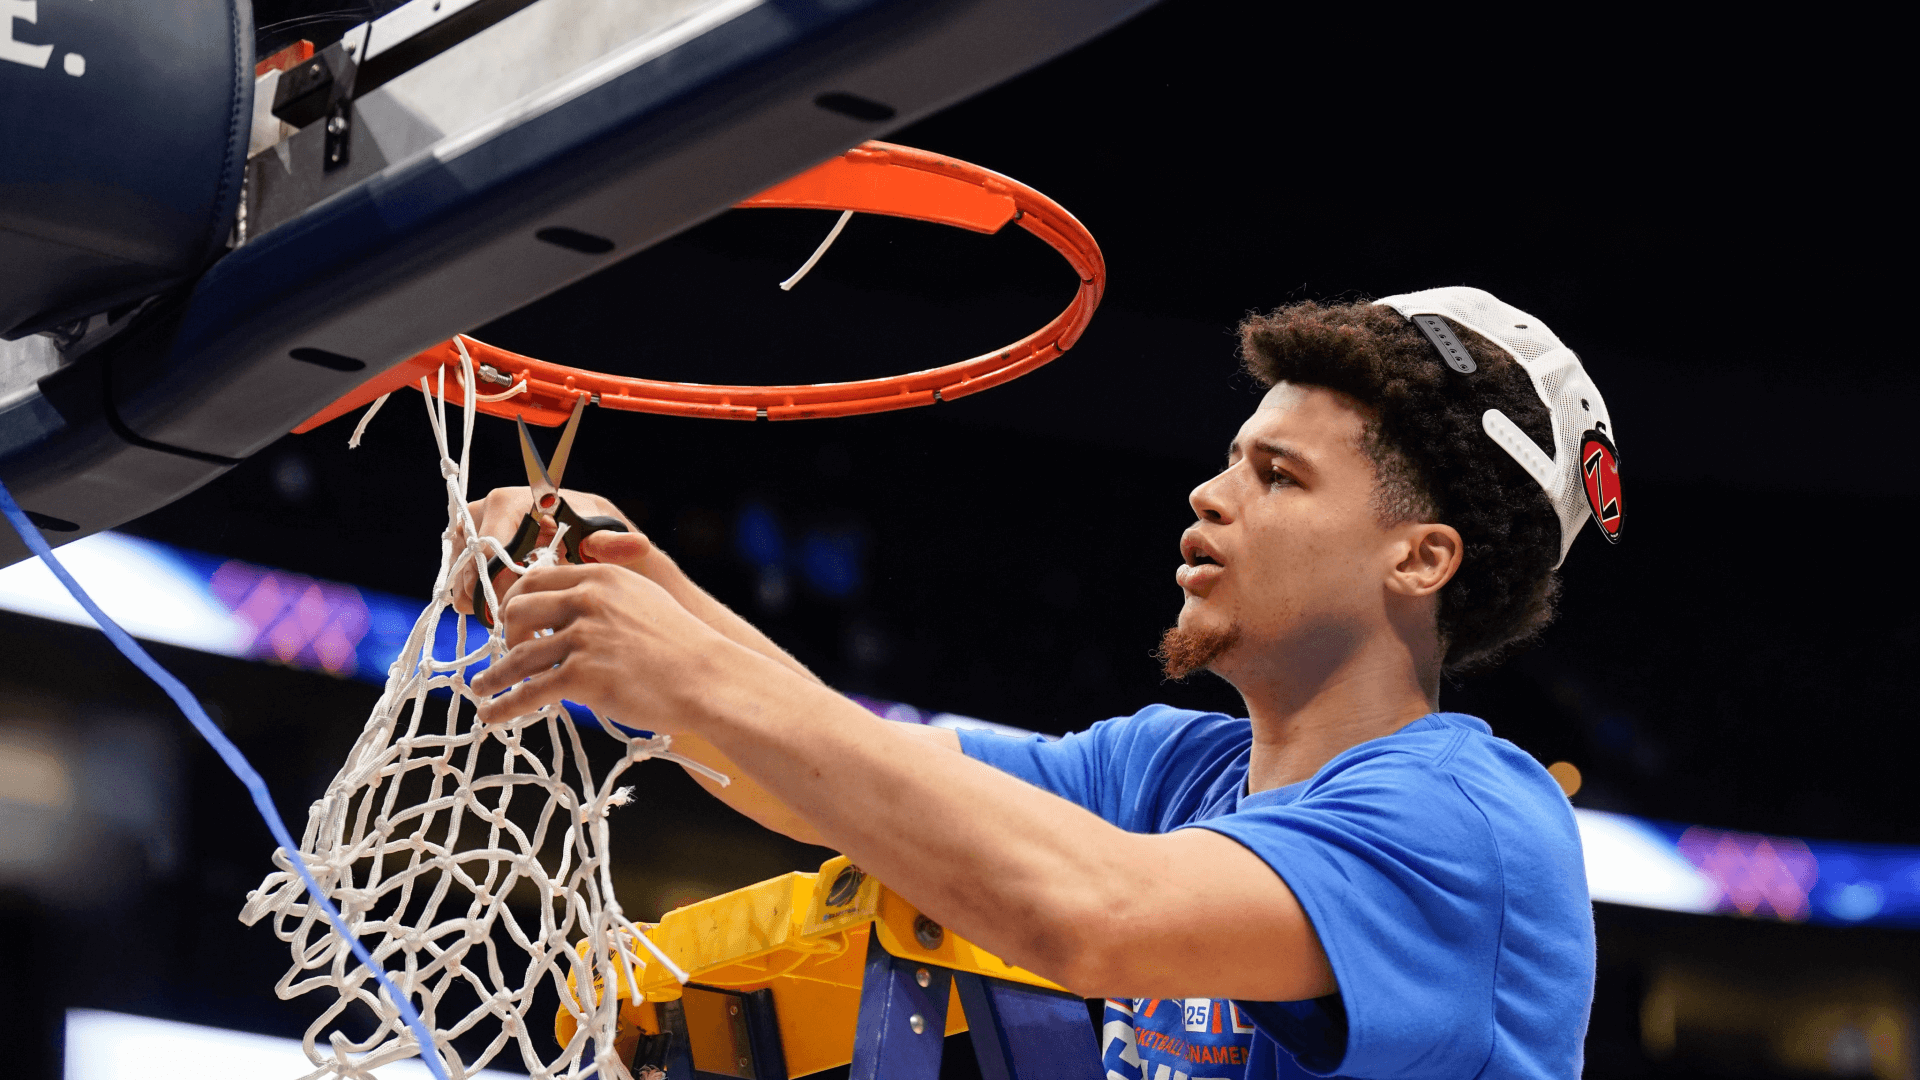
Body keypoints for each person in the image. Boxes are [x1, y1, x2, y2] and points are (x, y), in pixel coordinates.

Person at [456, 286, 1621, 1079]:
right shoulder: (1176, 769)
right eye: (1228, 459)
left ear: (1420, 559)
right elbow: (848, 782)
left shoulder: (1464, 820)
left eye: (1277, 476)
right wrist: (628, 580)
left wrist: (693, 673)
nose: (1209, 496)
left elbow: (1095, 919)